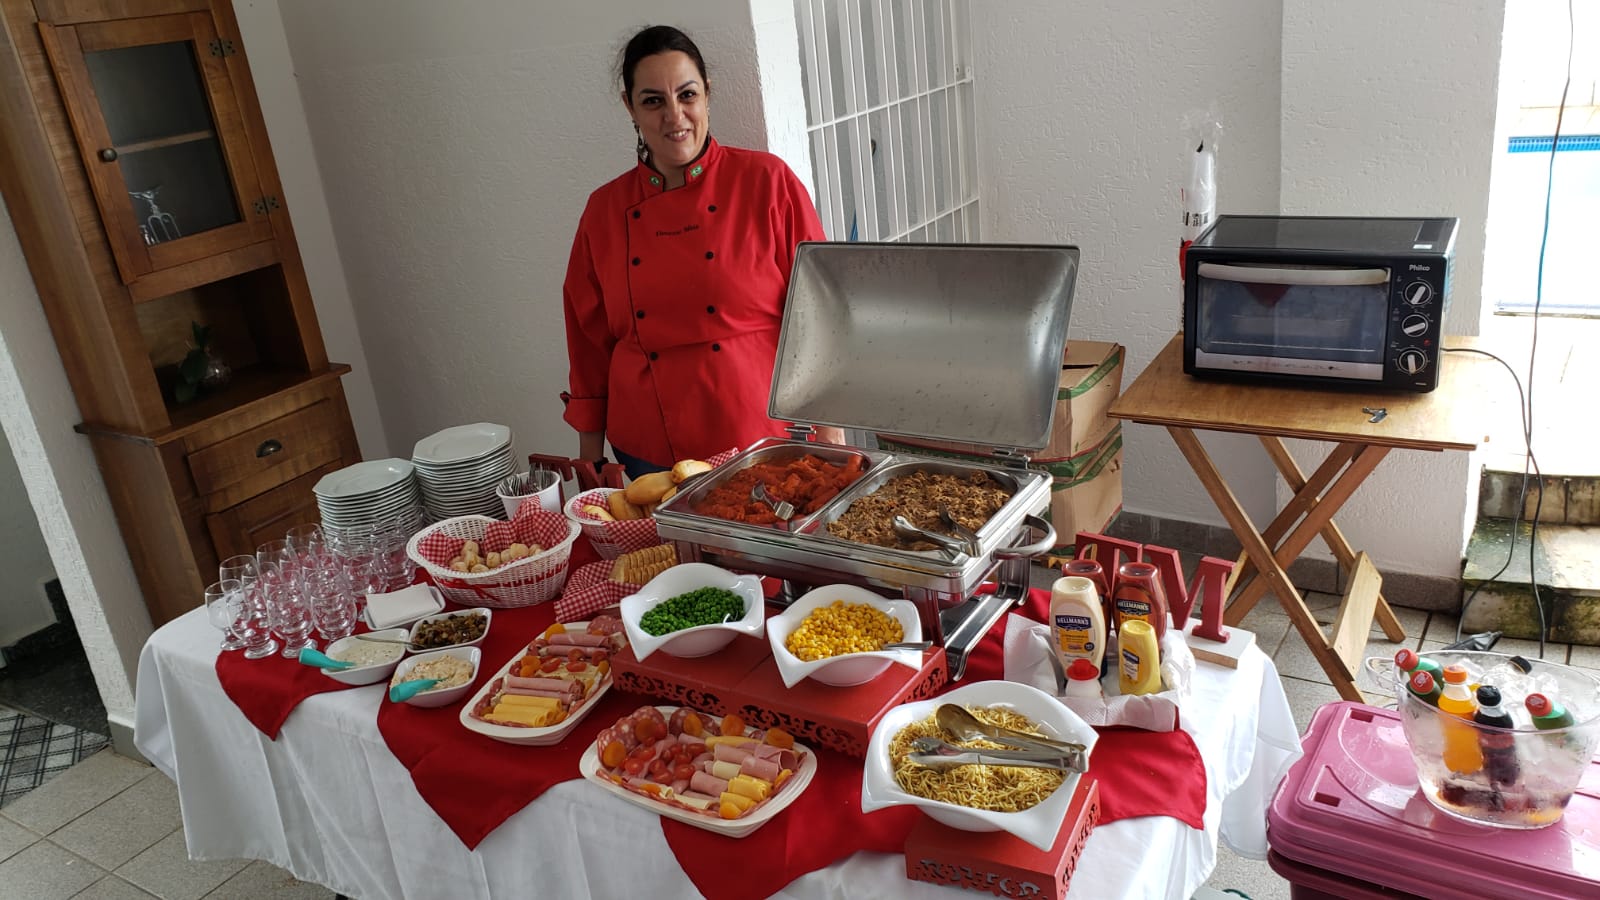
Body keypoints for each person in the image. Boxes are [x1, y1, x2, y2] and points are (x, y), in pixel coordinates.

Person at [561, 25, 842, 480]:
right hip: (649, 449)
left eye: (687, 95)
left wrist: (830, 432)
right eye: (653, 101)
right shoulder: (604, 211)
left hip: (760, 439)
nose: (674, 116)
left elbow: (822, 315)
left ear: (707, 94)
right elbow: (588, 343)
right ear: (630, 107)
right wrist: (590, 460)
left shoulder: (767, 183)